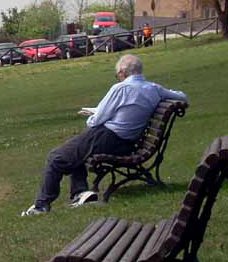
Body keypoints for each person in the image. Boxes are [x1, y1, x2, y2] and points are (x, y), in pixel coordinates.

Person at [21, 54, 188, 216]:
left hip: (108, 137)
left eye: (117, 74)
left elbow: (96, 120)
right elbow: (182, 97)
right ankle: (81, 193)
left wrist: (92, 116)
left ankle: (41, 206)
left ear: (123, 71)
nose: (118, 77)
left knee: (56, 157)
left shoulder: (121, 88)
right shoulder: (154, 88)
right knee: (75, 152)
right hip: (127, 143)